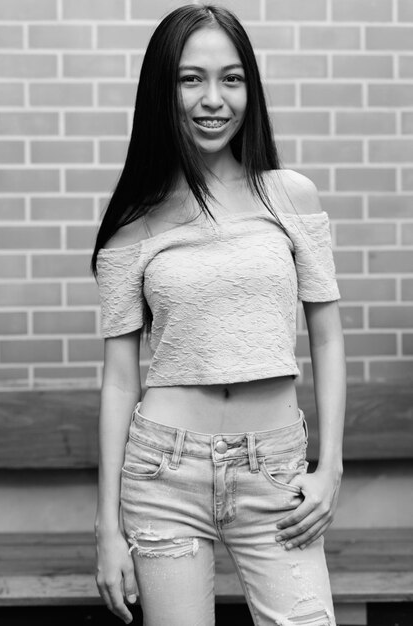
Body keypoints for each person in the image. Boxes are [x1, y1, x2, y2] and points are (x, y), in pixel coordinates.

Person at [91, 4, 346, 625]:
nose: (214, 99)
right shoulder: (134, 224)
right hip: (163, 473)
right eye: (190, 79)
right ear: (162, 90)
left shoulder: (290, 195)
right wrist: (106, 528)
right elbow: (121, 380)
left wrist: (331, 465)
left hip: (276, 469)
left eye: (231, 79)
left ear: (249, 90)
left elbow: (327, 338)